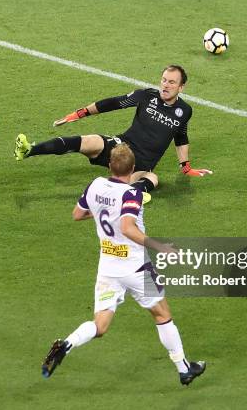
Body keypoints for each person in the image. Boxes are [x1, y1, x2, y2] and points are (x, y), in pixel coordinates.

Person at [41, 144, 206, 387]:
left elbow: (77, 214)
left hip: (108, 268)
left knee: (100, 325)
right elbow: (128, 228)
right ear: (132, 170)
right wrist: (160, 246)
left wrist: (102, 211)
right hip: (137, 268)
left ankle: (67, 343)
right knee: (162, 315)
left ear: (110, 166)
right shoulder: (131, 194)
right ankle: (183, 369)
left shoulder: (95, 185)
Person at [14, 65, 212, 203]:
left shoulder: (184, 111)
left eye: (171, 82)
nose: (165, 85)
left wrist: (186, 167)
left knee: (153, 179)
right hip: (121, 146)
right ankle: (30, 150)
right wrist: (78, 114)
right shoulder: (147, 95)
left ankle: (131, 193)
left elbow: (181, 136)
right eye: (163, 80)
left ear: (181, 87)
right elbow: (113, 103)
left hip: (142, 163)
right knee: (89, 141)